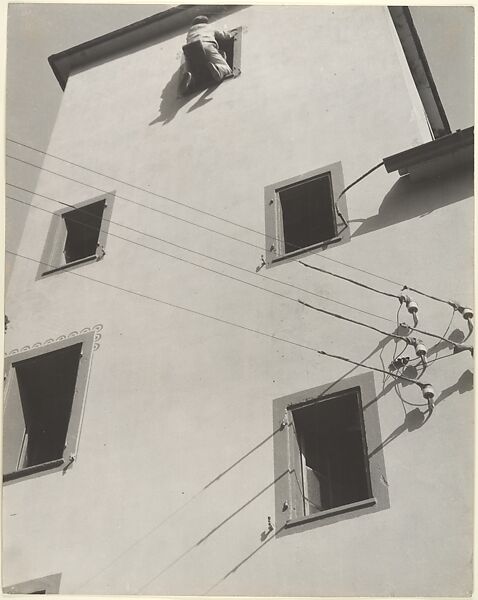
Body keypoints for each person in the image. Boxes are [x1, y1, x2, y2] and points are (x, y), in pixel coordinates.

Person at [180, 15, 234, 93]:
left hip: (189, 49)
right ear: (205, 22)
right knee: (227, 68)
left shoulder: (190, 32)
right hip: (207, 45)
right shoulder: (209, 27)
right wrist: (231, 34)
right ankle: (218, 69)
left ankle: (188, 80)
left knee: (190, 69)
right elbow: (224, 36)